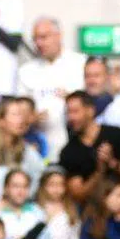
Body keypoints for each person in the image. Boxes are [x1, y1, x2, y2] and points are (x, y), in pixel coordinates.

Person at [16, 17, 88, 157]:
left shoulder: (80, 63)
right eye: (35, 39)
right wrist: (31, 117)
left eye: (43, 37)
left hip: (76, 145)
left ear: (59, 36)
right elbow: (19, 108)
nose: (39, 43)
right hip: (38, 147)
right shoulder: (26, 71)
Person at [60, 90, 120, 201]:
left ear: (90, 111)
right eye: (68, 113)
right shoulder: (69, 151)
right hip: (91, 210)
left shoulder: (116, 135)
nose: (71, 117)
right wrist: (99, 171)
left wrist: (112, 163)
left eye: (75, 111)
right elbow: (77, 194)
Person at [33, 167, 80, 239]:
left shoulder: (70, 210)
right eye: (52, 184)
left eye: (60, 185)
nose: (56, 189)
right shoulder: (35, 209)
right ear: (43, 186)